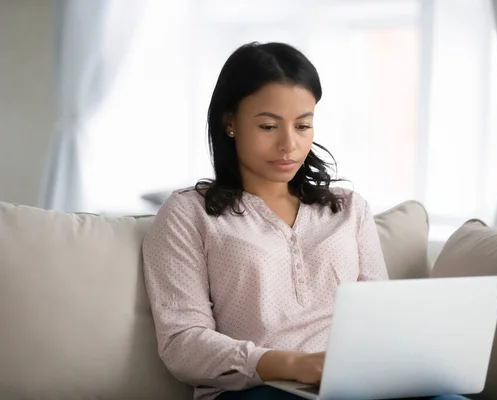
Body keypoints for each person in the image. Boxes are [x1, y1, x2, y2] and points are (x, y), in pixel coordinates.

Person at [142, 42, 469, 400]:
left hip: (358, 386)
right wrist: (295, 365)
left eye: (302, 125)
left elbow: (381, 321)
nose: (289, 145)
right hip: (259, 389)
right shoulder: (188, 213)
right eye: (268, 126)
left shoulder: (348, 209)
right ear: (230, 122)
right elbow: (182, 343)